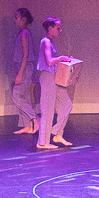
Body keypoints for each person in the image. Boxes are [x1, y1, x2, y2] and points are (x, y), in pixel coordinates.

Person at [35, 17, 76, 150]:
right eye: (58, 28)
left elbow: (53, 62)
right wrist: (62, 58)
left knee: (67, 104)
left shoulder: (50, 42)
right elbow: (50, 61)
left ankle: (57, 133)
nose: (60, 30)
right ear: (50, 28)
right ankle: (42, 142)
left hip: (54, 77)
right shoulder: (45, 41)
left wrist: (65, 61)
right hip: (47, 77)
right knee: (47, 109)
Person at [11, 8, 38, 134]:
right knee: (24, 96)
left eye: (16, 17)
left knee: (16, 95)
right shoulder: (23, 32)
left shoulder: (24, 33)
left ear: (23, 19)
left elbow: (26, 55)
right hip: (23, 67)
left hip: (25, 68)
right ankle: (27, 125)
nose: (14, 20)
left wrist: (20, 74)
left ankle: (35, 118)